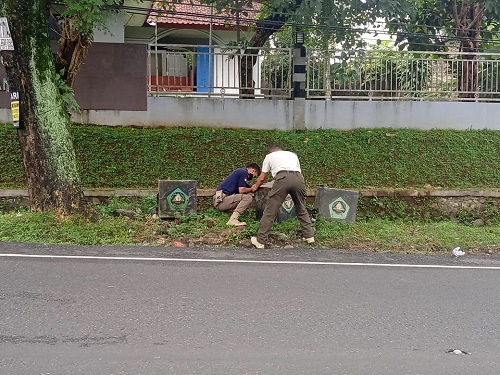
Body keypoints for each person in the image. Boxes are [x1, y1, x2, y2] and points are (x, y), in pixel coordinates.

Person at [250, 144, 314, 248]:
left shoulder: (269, 156)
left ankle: (260, 240)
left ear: (272, 151)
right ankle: (309, 236)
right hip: (298, 178)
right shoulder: (292, 155)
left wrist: (255, 186)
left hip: (282, 177)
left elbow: (262, 178)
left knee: (270, 211)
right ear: (280, 150)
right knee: (301, 207)